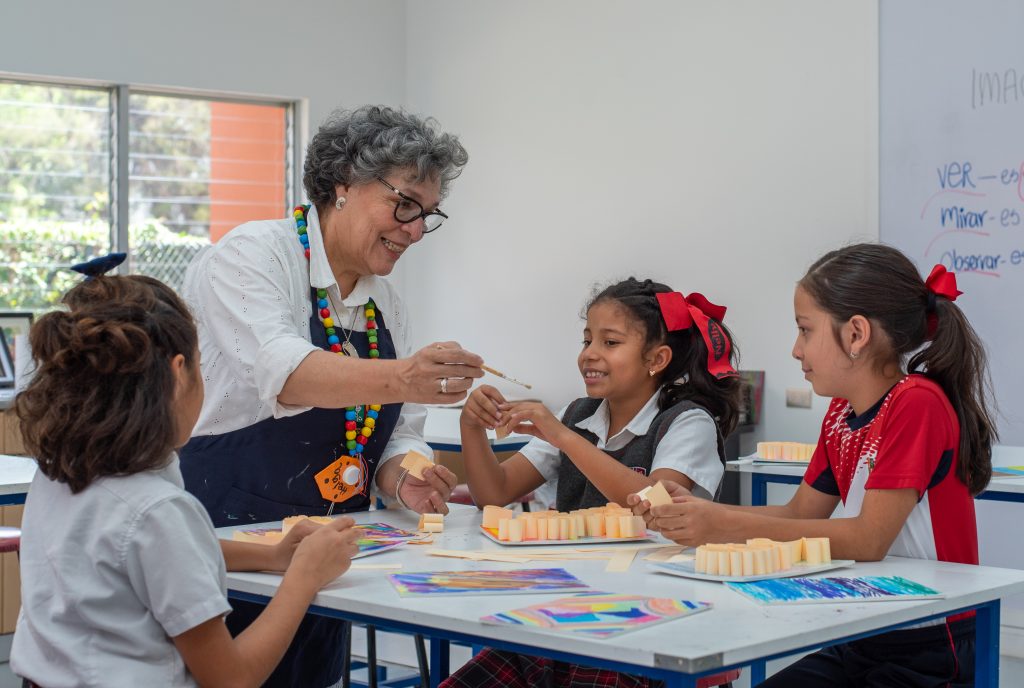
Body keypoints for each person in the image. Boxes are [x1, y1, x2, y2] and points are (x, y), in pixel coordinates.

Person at [178, 105, 484, 685]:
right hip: (228, 534)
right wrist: (402, 376)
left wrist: (404, 477)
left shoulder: (383, 303)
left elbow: (398, 431)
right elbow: (284, 372)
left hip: (328, 551)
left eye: (428, 214)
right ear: (342, 185)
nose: (416, 230)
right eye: (404, 205)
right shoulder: (254, 256)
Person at [633, 243, 996, 687]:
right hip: (867, 628)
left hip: (929, 645)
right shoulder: (842, 411)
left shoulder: (916, 402)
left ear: (856, 334)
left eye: (805, 330)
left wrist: (720, 523)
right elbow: (800, 514)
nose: (795, 349)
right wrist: (696, 509)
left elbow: (868, 539)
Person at [11, 260, 360, 687]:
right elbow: (231, 680)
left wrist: (273, 556)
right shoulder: (158, 511)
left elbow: (149, 554)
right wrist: (305, 578)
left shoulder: (59, 474)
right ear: (179, 374)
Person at [442, 277, 742, 688]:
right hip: (566, 609)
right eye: (587, 341)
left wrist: (563, 436)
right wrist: (471, 427)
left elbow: (659, 506)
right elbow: (493, 494)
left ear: (656, 359)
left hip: (648, 622)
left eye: (610, 343)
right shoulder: (578, 414)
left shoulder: (687, 421)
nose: (590, 355)